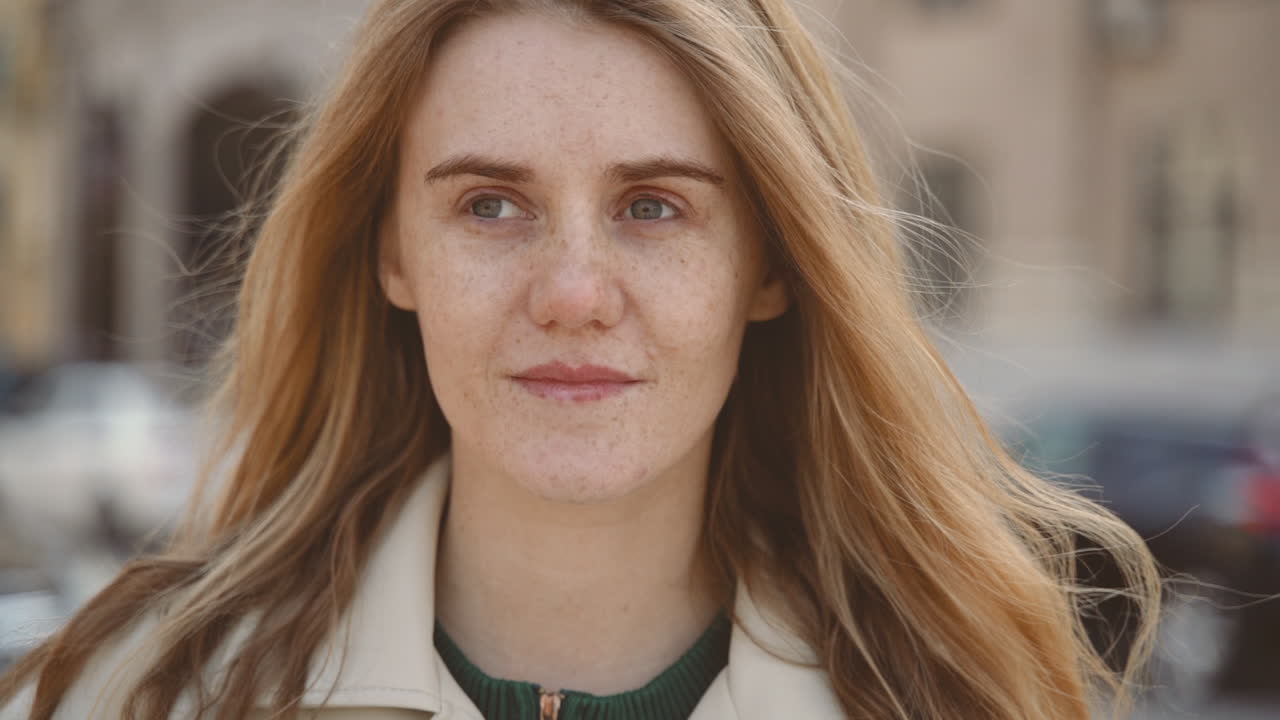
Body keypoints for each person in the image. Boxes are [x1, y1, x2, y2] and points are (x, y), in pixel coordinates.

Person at [0, 1, 1161, 718]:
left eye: (653, 208)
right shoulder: (142, 695)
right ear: (391, 253)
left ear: (768, 269)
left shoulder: (952, 702)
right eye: (491, 205)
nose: (569, 294)